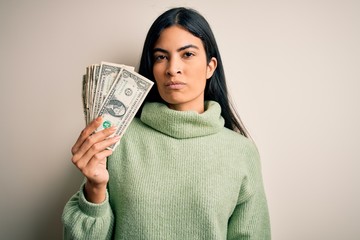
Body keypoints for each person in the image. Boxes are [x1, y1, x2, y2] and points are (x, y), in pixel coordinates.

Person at [62, 7, 271, 240]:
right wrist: (95, 188)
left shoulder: (241, 152)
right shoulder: (116, 139)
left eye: (188, 54)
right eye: (161, 57)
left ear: (211, 66)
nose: (172, 69)